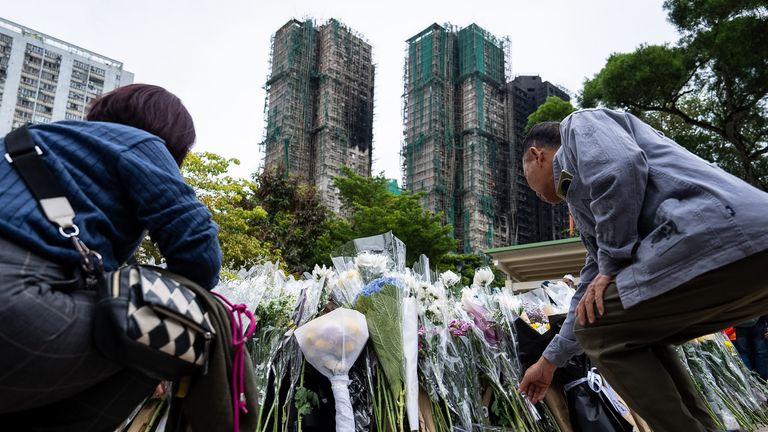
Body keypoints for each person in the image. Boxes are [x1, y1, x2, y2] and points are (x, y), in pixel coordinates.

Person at [517, 108, 768, 432]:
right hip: (731, 254)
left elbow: (619, 169)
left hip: (723, 235)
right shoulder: (583, 207)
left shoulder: (579, 126)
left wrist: (611, 263)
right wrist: (549, 362)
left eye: (532, 186)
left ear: (538, 156)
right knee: (630, 330)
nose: (537, 196)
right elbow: (590, 288)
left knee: (599, 332)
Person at [0, 84, 222, 431]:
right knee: (169, 327)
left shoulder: (24, 140)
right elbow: (198, 249)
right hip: (15, 304)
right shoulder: (140, 142)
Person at [733, 315, 768, 380]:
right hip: (759, 321)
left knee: (743, 353)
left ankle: (749, 379)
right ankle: (762, 379)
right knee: (761, 352)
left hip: (740, 323)